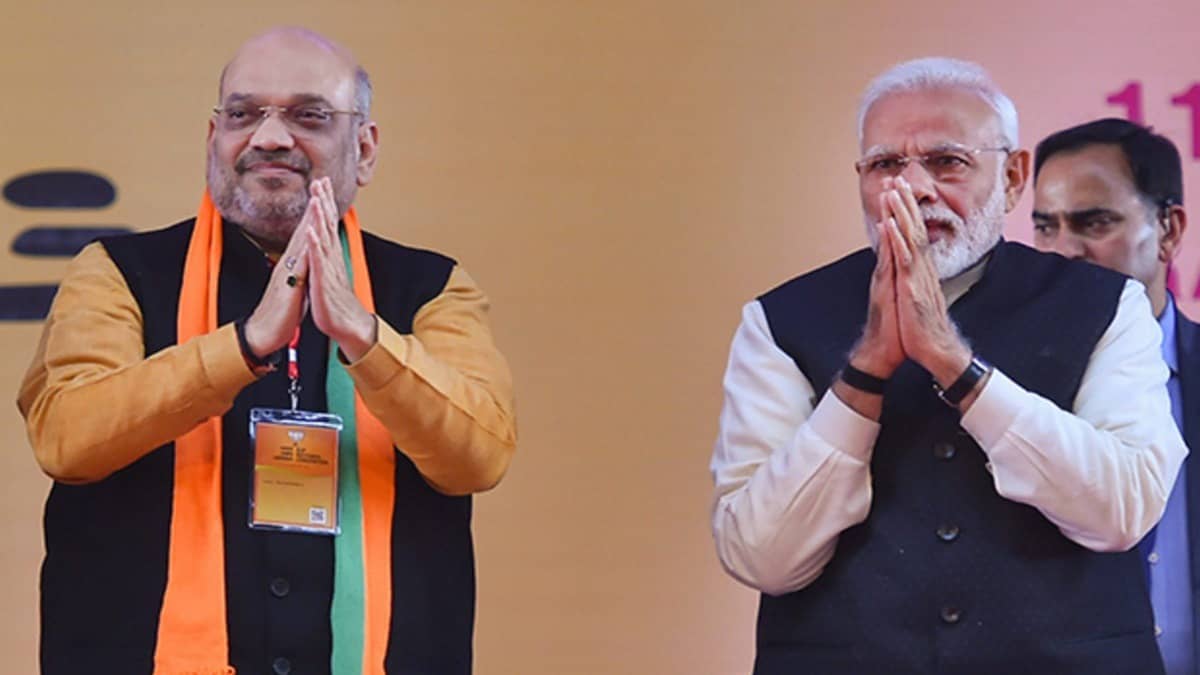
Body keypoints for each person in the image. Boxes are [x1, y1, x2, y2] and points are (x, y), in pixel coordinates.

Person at [18, 27, 516, 675]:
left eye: (309, 116)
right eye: (243, 114)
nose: (271, 137)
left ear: (364, 149)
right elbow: (66, 437)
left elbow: (479, 455)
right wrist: (244, 345)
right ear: (213, 139)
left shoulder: (429, 288)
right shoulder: (117, 273)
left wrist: (364, 337)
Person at [709, 57, 1186, 674]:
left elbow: (1122, 510)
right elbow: (759, 556)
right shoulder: (779, 321)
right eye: (886, 165)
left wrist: (956, 366)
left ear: (1012, 178)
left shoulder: (1108, 305)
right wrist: (863, 373)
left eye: (947, 161)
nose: (914, 189)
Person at [1033, 117, 1195, 674]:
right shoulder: (1005, 397)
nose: (1063, 251)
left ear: (1169, 230)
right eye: (1045, 228)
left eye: (1094, 222)